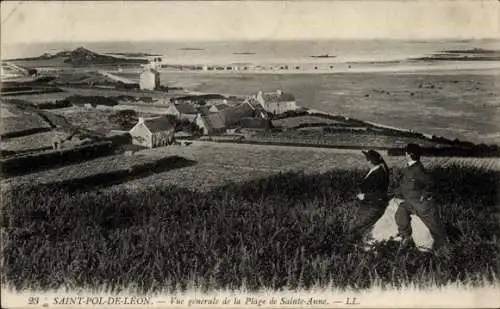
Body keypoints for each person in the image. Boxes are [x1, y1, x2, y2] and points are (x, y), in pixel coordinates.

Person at [394, 143, 448, 252]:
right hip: (411, 203)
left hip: (422, 205)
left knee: (436, 230)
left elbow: (432, 183)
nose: (405, 154)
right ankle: (406, 237)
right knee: (401, 210)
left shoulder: (418, 169)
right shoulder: (410, 168)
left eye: (406, 153)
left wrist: (425, 194)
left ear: (408, 154)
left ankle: (444, 249)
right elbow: (405, 186)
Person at [348, 149, 390, 242]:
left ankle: (349, 249)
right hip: (368, 205)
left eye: (367, 159)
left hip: (372, 205)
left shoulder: (379, 173)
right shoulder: (376, 170)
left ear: (370, 161)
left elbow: (380, 194)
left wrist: (365, 196)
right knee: (358, 228)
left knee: (354, 229)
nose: (366, 161)